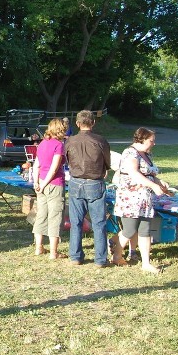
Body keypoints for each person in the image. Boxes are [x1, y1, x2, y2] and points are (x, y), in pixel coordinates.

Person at [111, 127, 169, 273]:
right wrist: (153, 185)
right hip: (131, 198)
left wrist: (160, 183)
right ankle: (117, 255)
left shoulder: (147, 155)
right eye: (151, 140)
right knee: (129, 230)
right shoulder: (130, 153)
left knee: (145, 230)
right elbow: (134, 173)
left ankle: (146, 263)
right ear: (141, 139)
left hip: (145, 199)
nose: (154, 143)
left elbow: (150, 174)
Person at [65, 110, 112, 267]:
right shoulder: (100, 140)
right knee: (99, 223)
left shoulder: (70, 141)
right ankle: (100, 259)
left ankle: (75, 257)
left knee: (75, 221)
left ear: (77, 124)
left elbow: (67, 160)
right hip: (95, 182)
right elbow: (107, 163)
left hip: (76, 181)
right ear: (93, 123)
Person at [32, 118, 67, 259]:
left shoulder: (42, 144)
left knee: (41, 215)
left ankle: (38, 248)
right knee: (55, 217)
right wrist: (45, 183)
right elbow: (54, 168)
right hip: (54, 183)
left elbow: (36, 165)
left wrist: (36, 183)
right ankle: (53, 252)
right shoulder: (58, 145)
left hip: (40, 182)